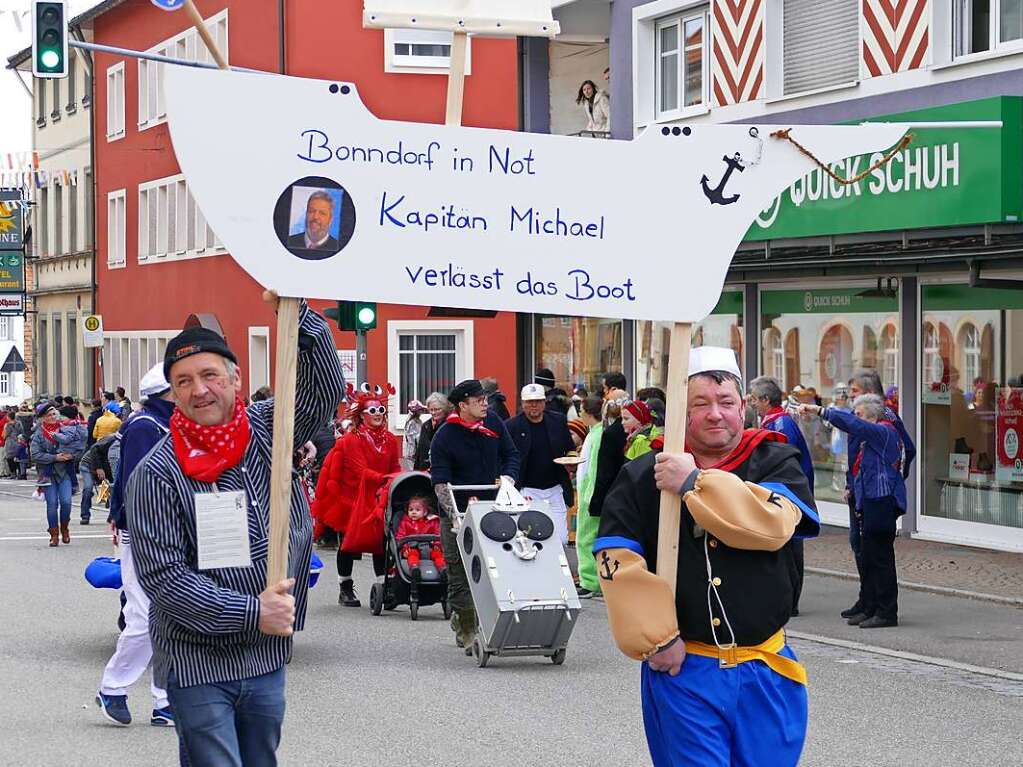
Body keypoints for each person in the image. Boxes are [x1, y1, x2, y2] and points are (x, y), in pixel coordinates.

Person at [128, 295, 345, 766]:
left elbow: (325, 392)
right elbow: (165, 580)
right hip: (196, 661)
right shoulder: (156, 473)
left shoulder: (270, 430)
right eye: (183, 382)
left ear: (235, 379)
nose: (199, 390)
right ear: (172, 393)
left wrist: (298, 312)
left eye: (209, 375)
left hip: (264, 656)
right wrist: (253, 611)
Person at [595, 347, 819, 767]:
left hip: (766, 669)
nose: (716, 414)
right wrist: (656, 638)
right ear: (681, 410)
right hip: (686, 668)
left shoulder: (775, 460)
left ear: (743, 407)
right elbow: (616, 559)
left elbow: (771, 528)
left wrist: (694, 483)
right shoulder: (643, 474)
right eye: (701, 404)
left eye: (726, 403)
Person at [94, 364, 178, 728]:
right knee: (145, 616)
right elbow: (136, 482)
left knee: (168, 618)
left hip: (173, 532)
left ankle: (164, 701)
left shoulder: (173, 425)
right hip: (145, 532)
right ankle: (113, 686)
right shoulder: (147, 426)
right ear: (167, 391)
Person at [430, 379, 520, 653]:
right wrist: (455, 515)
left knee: (494, 569)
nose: (485, 404)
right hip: (457, 513)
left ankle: (492, 623)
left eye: (485, 399)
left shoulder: (493, 422)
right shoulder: (445, 435)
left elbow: (511, 454)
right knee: (460, 574)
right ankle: (467, 628)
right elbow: (440, 482)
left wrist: (508, 478)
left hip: (492, 510)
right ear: (463, 405)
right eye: (478, 400)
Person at [801, 394, 905, 629]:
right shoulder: (873, 434)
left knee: (880, 559)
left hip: (882, 499)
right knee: (868, 556)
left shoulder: (884, 431)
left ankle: (887, 612)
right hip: (870, 499)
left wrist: (821, 412)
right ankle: (871, 606)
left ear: (871, 415)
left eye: (859, 413)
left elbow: (853, 425)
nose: (855, 418)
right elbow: (862, 468)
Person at [312, 383, 401, 607]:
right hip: (351, 499)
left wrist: (399, 478)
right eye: (372, 411)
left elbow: (395, 465)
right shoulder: (351, 440)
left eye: (380, 410)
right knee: (348, 545)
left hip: (379, 497)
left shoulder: (390, 440)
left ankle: (384, 587)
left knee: (382, 541)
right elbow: (360, 470)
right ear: (362, 416)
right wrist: (386, 478)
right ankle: (345, 588)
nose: (378, 414)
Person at [841, 369, 915, 622]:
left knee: (874, 549)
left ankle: (878, 605)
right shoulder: (861, 417)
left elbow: (908, 449)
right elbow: (854, 455)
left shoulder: (883, 419)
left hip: (877, 492)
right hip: (861, 489)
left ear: (870, 394)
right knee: (861, 546)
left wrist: (892, 478)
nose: (852, 399)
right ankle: (868, 601)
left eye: (855, 392)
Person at [748, 375, 814, 616]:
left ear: (766, 399)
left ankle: (791, 601)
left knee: (790, 549)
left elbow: (784, 459)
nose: (752, 403)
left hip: (789, 492)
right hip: (779, 491)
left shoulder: (781, 424)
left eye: (755, 399)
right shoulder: (772, 421)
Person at [505, 383, 575, 545]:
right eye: (529, 402)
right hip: (526, 490)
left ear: (544, 402)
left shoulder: (558, 421)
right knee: (531, 538)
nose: (534, 405)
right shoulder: (511, 426)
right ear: (522, 404)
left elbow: (569, 448)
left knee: (561, 540)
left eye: (538, 401)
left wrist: (572, 462)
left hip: (555, 488)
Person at [32, 403, 82, 546]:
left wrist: (71, 455)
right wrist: (55, 457)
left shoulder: (66, 430)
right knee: (52, 504)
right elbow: (35, 455)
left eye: (54, 414)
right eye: (49, 415)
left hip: (65, 472)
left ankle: (65, 528)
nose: (53, 417)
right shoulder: (39, 434)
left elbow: (79, 447)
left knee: (66, 502)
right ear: (43, 418)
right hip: (46, 474)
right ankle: (54, 534)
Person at [573, 396, 605, 599]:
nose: (579, 415)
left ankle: (589, 580)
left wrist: (589, 495)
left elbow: (593, 468)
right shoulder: (595, 432)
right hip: (589, 491)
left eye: (581, 410)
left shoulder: (597, 434)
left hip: (589, 493)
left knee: (585, 538)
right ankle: (592, 579)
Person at [589, 378, 629, 518]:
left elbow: (605, 472)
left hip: (614, 496)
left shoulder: (610, 433)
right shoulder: (637, 429)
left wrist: (596, 504)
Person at [396, 494, 445, 580]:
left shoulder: (432, 522)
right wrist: (405, 548)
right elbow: (400, 536)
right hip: (413, 547)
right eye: (411, 510)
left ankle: (442, 569)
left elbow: (438, 534)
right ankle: (414, 568)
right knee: (412, 555)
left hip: (430, 548)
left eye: (417, 510)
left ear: (425, 512)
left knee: (438, 555)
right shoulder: (405, 522)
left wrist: (438, 545)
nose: (413, 512)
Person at [413, 391, 450, 471]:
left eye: (437, 409)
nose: (433, 412)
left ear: (444, 409)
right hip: (424, 470)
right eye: (431, 410)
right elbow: (419, 452)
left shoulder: (449, 426)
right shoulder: (426, 425)